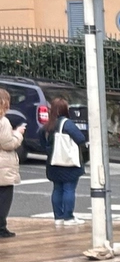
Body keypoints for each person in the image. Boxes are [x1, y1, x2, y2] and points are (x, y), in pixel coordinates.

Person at [41, 97, 86, 227]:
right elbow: (80, 138)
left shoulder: (48, 125)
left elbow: (41, 140)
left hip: (53, 162)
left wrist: (49, 150)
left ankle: (58, 217)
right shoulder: (67, 124)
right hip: (68, 162)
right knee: (69, 189)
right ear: (65, 109)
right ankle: (68, 217)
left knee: (57, 189)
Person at [0, 88, 24, 238]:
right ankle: (1, 227)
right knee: (4, 197)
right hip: (2, 164)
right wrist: (18, 134)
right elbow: (7, 144)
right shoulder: (3, 121)